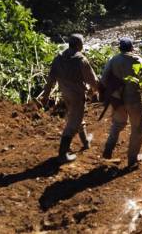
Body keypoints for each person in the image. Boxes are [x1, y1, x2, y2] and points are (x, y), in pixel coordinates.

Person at [100, 37, 142, 169]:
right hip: (133, 99)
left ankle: (108, 150)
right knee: (137, 128)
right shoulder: (137, 60)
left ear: (120, 49)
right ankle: (132, 159)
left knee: (117, 125)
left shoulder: (113, 60)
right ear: (132, 48)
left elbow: (103, 79)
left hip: (117, 100)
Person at [41, 34, 99, 163]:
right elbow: (93, 80)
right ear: (79, 45)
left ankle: (85, 141)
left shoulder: (58, 59)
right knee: (73, 124)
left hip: (65, 95)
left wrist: (45, 96)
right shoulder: (81, 60)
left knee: (76, 117)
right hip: (77, 96)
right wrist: (96, 91)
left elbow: (50, 80)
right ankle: (62, 154)